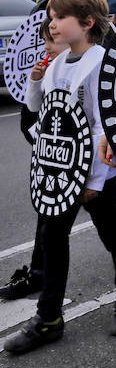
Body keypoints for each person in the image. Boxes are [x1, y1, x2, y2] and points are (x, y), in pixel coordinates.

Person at [5, 0, 116, 354]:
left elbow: (104, 125)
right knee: (52, 239)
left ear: (86, 22)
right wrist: (36, 79)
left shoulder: (100, 62)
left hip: (92, 173)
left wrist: (94, 180)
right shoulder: (59, 61)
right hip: (60, 171)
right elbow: (41, 110)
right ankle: (48, 317)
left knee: (113, 234)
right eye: (51, 17)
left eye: (58, 17)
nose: (51, 23)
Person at [0, 18, 73, 301]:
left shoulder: (85, 64)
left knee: (108, 222)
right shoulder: (49, 70)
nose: (45, 48)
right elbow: (30, 114)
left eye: (50, 42)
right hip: (55, 159)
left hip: (79, 161)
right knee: (50, 228)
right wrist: (35, 81)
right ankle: (44, 294)